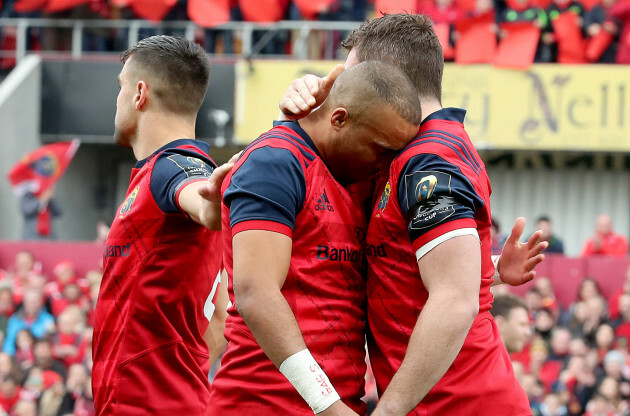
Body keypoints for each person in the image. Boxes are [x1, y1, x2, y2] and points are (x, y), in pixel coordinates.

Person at [279, 13, 543, 415]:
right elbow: (417, 262)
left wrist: (387, 412)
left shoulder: (428, 161)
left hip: (461, 404)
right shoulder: (413, 152)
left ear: (385, 78)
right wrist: (289, 120)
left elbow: (455, 300)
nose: (343, 92)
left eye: (354, 77)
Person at [209, 60, 422, 416]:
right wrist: (328, 406)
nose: (386, 165)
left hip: (337, 403)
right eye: (381, 149)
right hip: (262, 404)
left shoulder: (355, 178)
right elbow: (255, 293)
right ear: (338, 120)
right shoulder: (274, 162)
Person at [92, 35, 230, 416]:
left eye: (120, 87)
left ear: (139, 93)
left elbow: (202, 203)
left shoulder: (173, 167)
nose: (116, 100)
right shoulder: (158, 174)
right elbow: (221, 316)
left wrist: (212, 205)